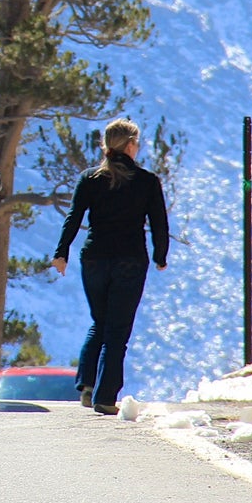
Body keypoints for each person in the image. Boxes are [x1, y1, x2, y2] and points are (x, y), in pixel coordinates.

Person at [52, 117, 169, 414]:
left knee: (100, 322)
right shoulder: (147, 181)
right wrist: (160, 256)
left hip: (94, 258)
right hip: (129, 260)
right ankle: (105, 397)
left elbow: (74, 217)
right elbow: (159, 224)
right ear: (130, 146)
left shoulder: (89, 178)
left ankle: (88, 385)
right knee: (117, 330)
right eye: (137, 144)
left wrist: (61, 252)